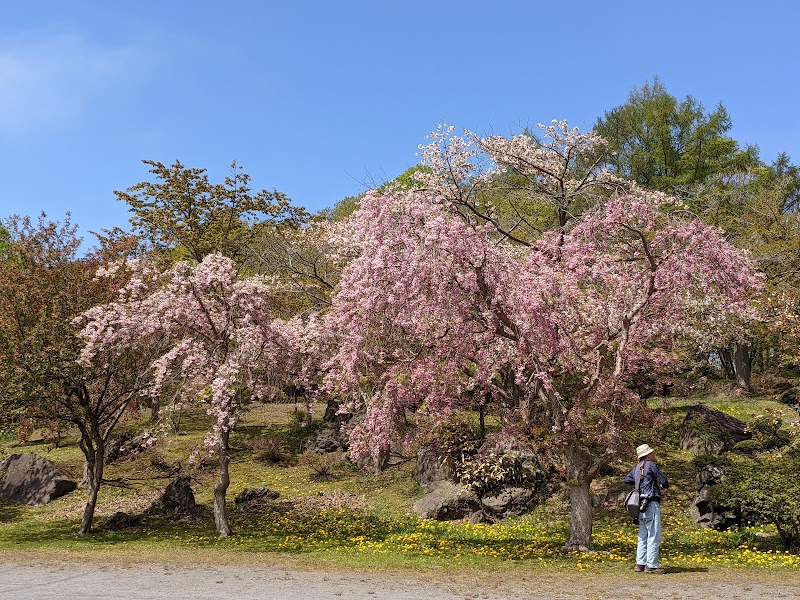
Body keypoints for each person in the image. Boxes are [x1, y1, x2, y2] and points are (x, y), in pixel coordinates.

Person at [624, 443, 669, 574]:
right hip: (651, 502)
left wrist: (640, 482)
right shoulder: (651, 465)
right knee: (654, 534)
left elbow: (627, 480)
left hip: (639, 504)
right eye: (652, 452)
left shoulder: (636, 468)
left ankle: (640, 564)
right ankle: (651, 566)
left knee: (642, 535)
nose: (654, 454)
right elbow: (664, 482)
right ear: (648, 455)